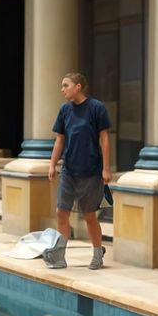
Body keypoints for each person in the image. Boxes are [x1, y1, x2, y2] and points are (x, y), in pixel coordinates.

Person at [45, 71, 113, 270]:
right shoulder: (64, 110)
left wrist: (106, 168)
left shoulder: (96, 108)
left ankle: (97, 254)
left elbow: (105, 138)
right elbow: (60, 139)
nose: (62, 90)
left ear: (78, 87)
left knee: (89, 215)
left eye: (66, 85)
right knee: (61, 212)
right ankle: (59, 256)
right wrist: (52, 164)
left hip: (91, 171)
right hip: (69, 170)